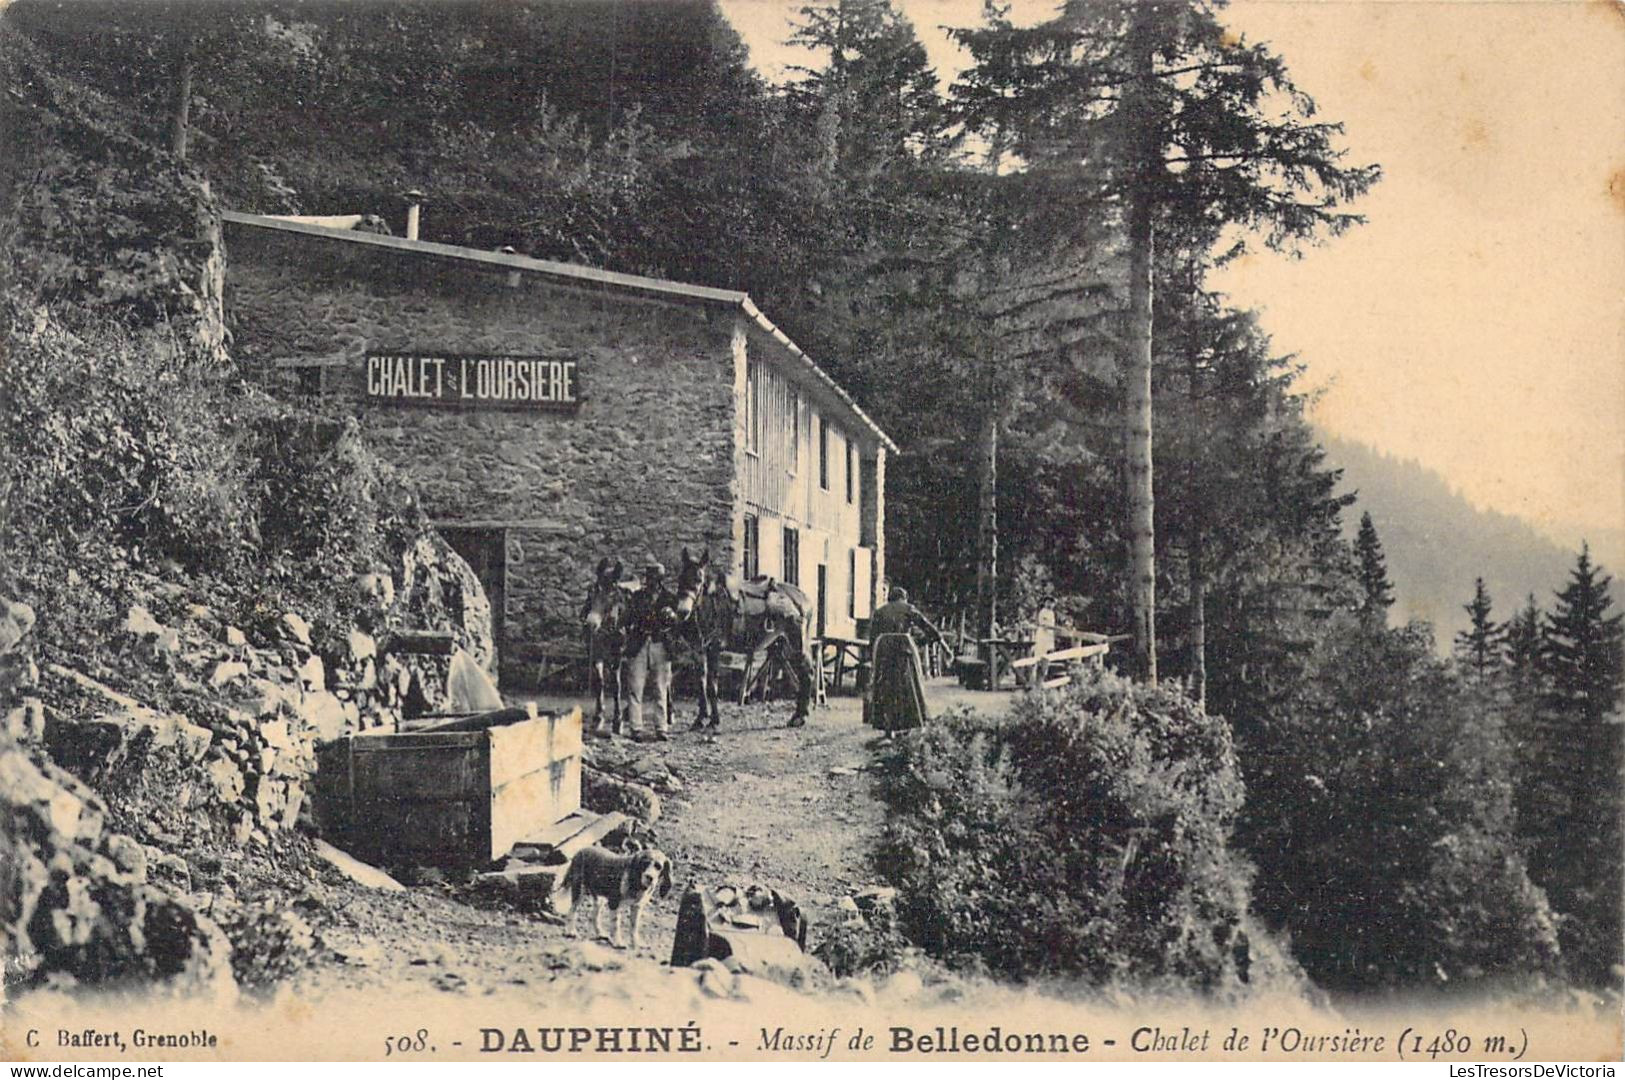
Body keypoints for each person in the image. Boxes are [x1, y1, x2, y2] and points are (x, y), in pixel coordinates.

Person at [863, 586, 947, 735]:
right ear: (904, 598)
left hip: (885, 652)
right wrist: (930, 639)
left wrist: (873, 657)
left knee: (886, 688)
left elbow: (872, 638)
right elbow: (927, 627)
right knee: (907, 687)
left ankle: (888, 728)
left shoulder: (879, 612)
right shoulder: (908, 608)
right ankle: (907, 724)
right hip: (903, 650)